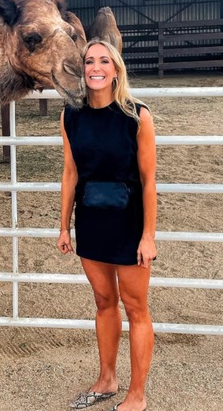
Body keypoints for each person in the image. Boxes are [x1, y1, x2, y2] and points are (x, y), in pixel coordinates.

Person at [57, 39, 157, 411]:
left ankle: (137, 395)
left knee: (136, 308)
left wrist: (148, 236)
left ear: (115, 69)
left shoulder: (137, 116)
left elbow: (149, 180)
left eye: (103, 61)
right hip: (91, 220)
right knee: (103, 302)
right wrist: (64, 226)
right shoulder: (70, 116)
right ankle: (107, 379)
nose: (95, 68)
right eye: (89, 61)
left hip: (129, 225)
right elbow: (70, 173)